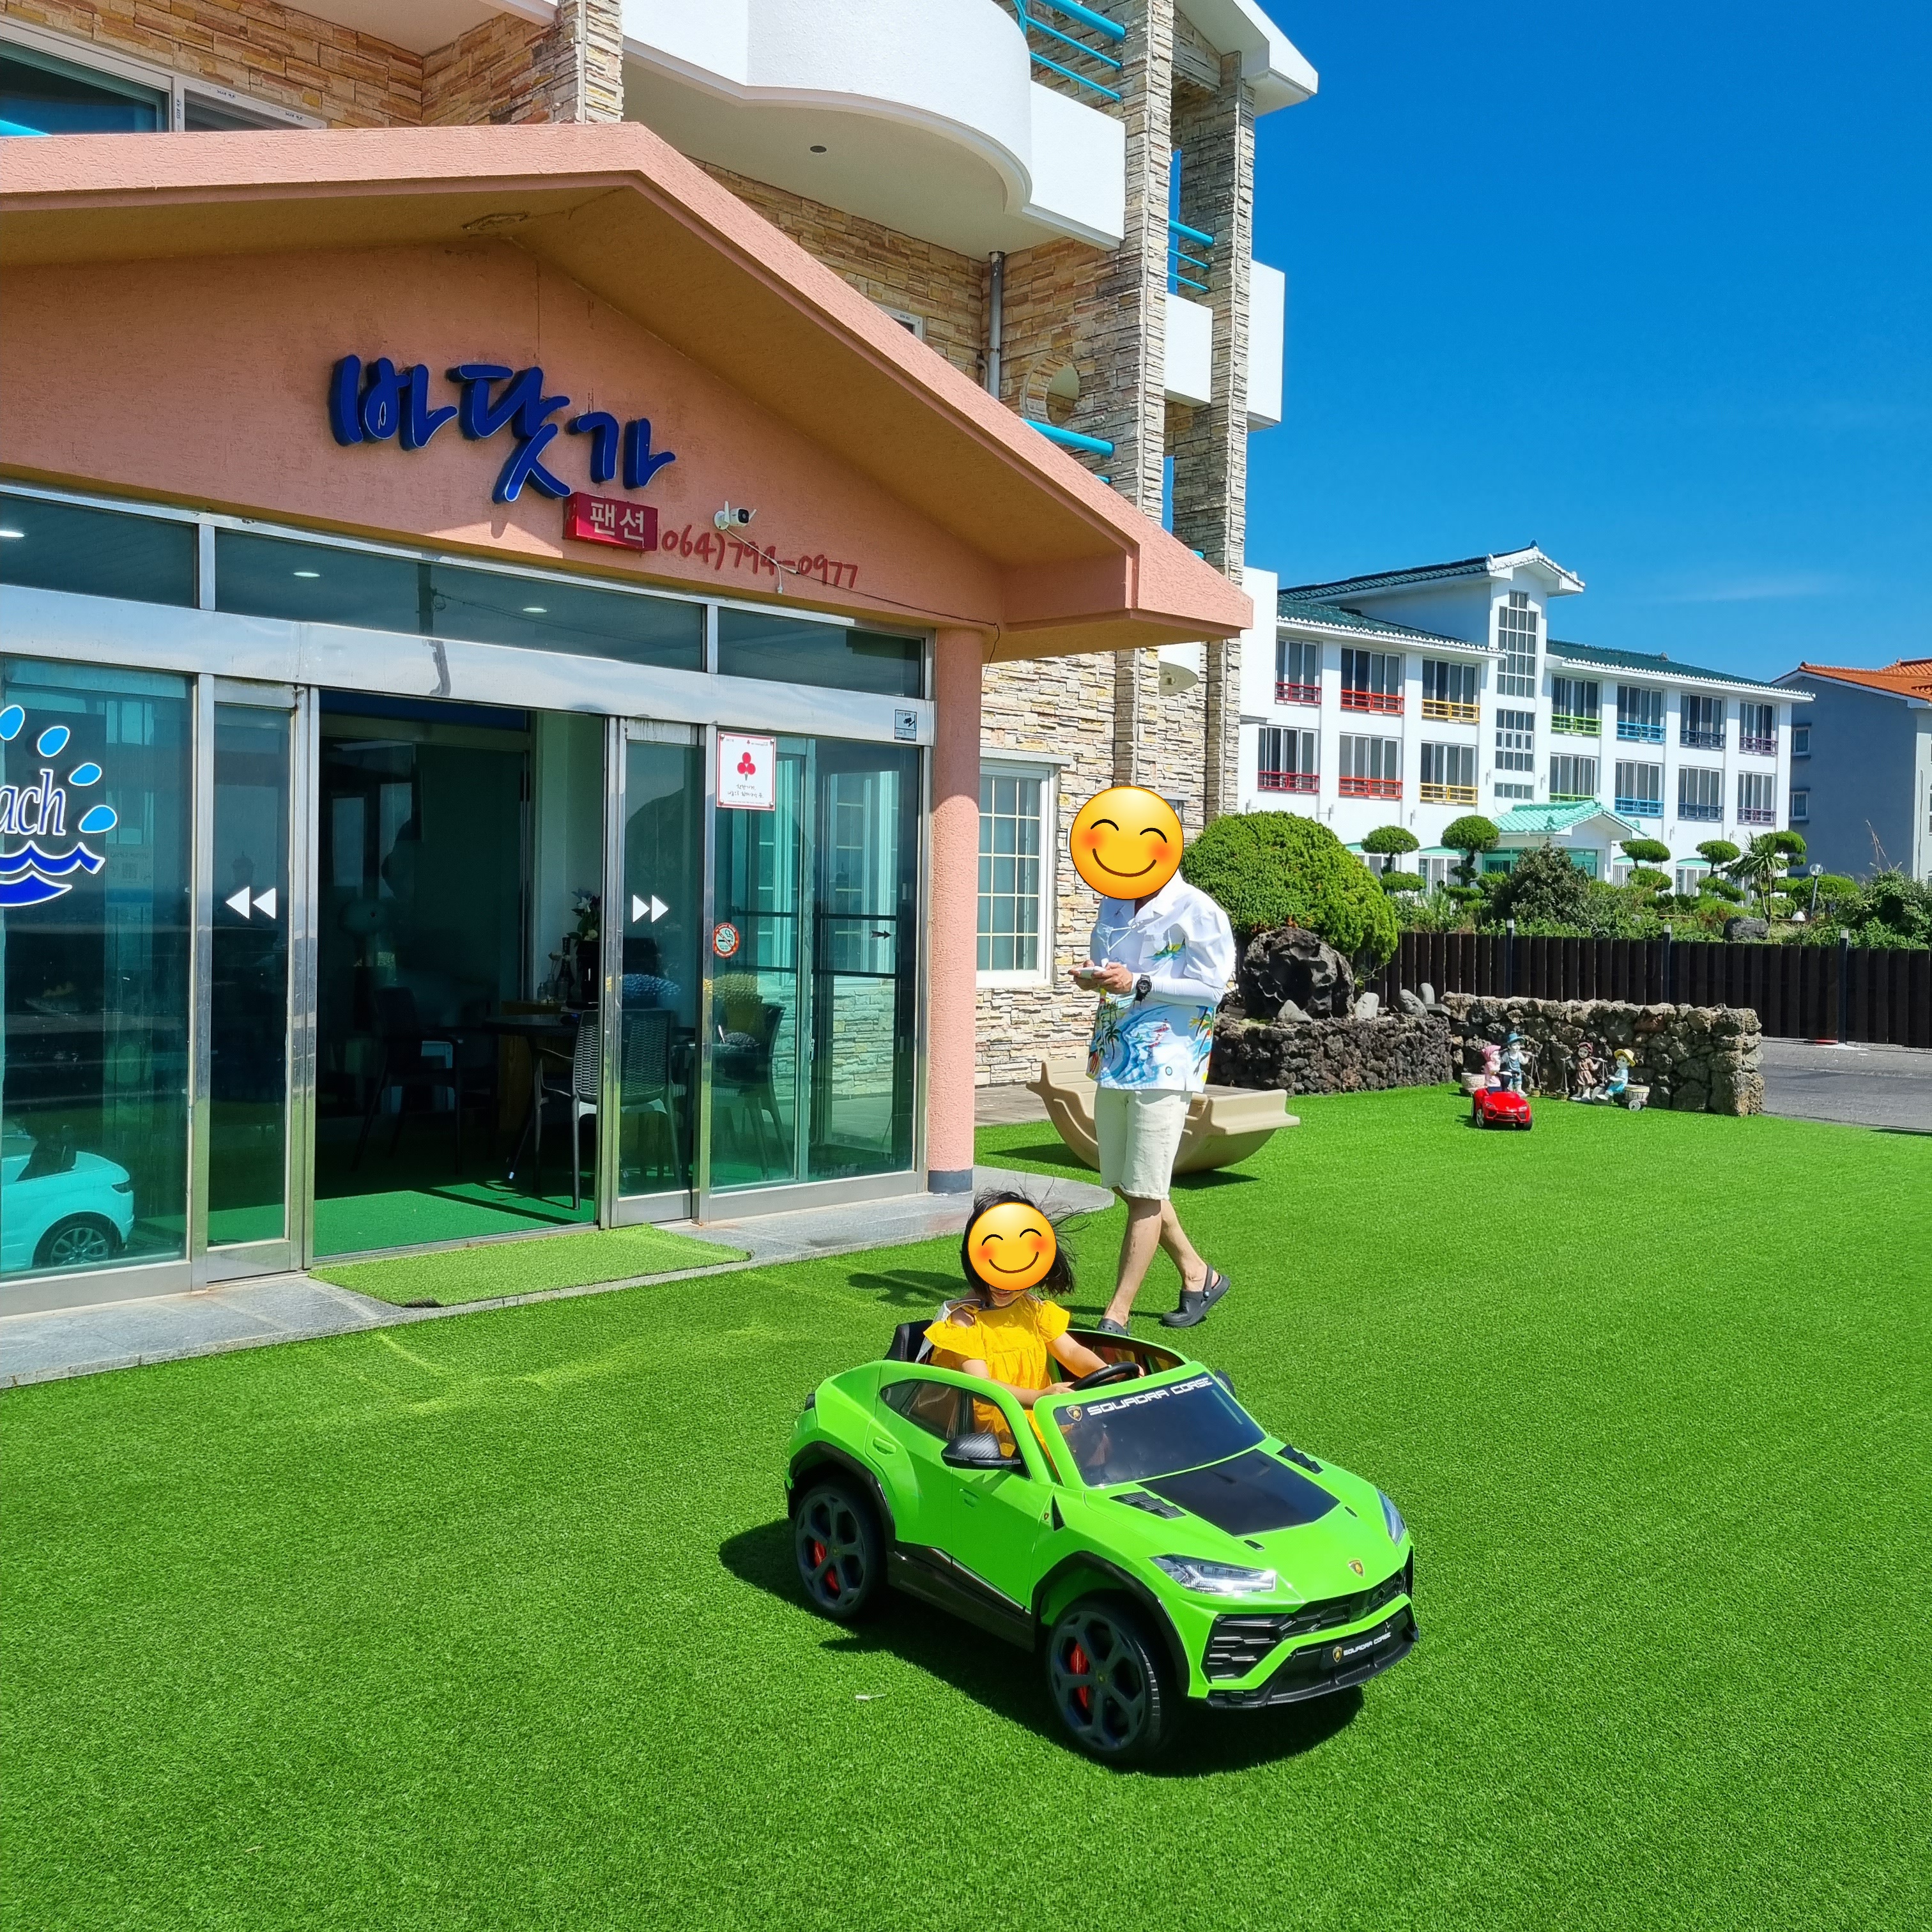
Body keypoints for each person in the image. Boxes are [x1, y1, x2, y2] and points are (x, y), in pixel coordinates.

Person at [1066, 788, 1236, 1335]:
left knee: (1144, 1192)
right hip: (1114, 1055)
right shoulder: (1113, 901)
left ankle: (1116, 1315)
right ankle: (1198, 1272)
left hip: (1167, 1061)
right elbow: (1110, 969)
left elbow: (1212, 989)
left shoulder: (1198, 909)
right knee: (1123, 1180)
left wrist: (1140, 982)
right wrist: (1095, 977)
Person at [924, 1192, 1107, 1432]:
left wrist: (1106, 1373)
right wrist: (1037, 1397)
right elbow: (982, 1386)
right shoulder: (965, 1321)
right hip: (993, 1434)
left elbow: (1072, 1352)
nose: (1004, 1285)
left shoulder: (1033, 1310)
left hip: (1042, 1421)